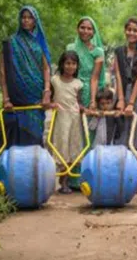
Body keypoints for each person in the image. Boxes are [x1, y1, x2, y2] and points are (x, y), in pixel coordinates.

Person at [0, 6, 52, 148]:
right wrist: (6, 98)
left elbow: (46, 68)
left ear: (35, 21)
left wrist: (46, 92)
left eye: (30, 18)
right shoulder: (11, 43)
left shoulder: (39, 44)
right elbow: (3, 71)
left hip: (35, 98)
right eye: (23, 17)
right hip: (15, 98)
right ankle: (10, 161)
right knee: (13, 134)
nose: (26, 20)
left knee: (34, 134)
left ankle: (34, 160)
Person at [48, 51, 83, 194]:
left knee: (72, 146)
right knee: (60, 146)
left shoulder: (78, 83)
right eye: (68, 63)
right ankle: (57, 180)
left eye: (73, 64)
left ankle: (65, 181)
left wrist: (83, 108)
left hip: (74, 118)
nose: (70, 66)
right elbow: (50, 98)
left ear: (77, 66)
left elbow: (78, 102)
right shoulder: (54, 80)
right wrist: (51, 104)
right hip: (61, 118)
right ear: (62, 64)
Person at [113, 18, 137, 152]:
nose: (131, 33)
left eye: (135, 30)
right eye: (129, 30)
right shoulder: (118, 51)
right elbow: (118, 75)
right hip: (121, 92)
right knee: (119, 126)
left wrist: (131, 103)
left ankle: (133, 159)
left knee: (135, 127)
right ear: (125, 31)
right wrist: (121, 100)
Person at [67, 17, 107, 109]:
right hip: (71, 91)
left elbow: (95, 78)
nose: (85, 31)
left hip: (89, 92)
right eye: (82, 27)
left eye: (89, 29)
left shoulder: (98, 52)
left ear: (94, 32)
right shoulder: (70, 48)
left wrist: (93, 100)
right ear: (77, 29)